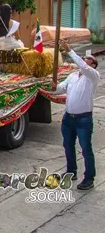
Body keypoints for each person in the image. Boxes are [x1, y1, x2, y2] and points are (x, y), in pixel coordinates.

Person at [51, 39, 100, 190]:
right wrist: (54, 86)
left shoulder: (93, 76)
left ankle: (89, 178)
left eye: (89, 59)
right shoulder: (72, 76)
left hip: (83, 119)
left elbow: (83, 67)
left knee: (86, 148)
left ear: (92, 65)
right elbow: (61, 89)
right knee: (68, 145)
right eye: (86, 58)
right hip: (69, 118)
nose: (86, 60)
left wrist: (70, 50)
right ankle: (71, 171)